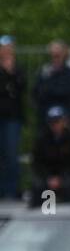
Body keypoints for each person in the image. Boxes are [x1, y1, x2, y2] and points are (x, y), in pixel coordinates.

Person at [28, 106, 70, 207]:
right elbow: (37, 163)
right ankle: (41, 213)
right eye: (52, 122)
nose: (55, 125)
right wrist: (49, 178)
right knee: (38, 186)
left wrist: (61, 178)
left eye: (58, 121)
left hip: (65, 176)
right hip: (46, 177)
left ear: (64, 121)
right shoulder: (41, 139)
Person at [0, 35, 26, 201]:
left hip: (11, 117)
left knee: (11, 155)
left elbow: (20, 88)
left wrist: (10, 72)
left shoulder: (18, 69)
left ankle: (10, 191)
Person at [33, 41, 70, 130]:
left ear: (64, 54)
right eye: (53, 55)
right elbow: (37, 90)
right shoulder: (44, 70)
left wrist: (48, 89)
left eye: (57, 55)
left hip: (65, 113)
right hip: (45, 113)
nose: (55, 58)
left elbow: (65, 90)